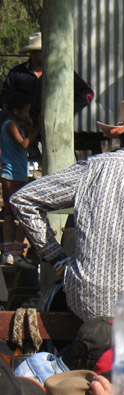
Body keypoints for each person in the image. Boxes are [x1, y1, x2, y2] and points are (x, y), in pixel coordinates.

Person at [11, 99, 124, 322]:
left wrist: (57, 259)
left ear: (121, 134)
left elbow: (23, 200)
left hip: (86, 302)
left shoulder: (94, 167)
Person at [0, 32, 93, 123]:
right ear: (32, 53)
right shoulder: (16, 73)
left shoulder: (62, 72)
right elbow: (5, 98)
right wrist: (19, 116)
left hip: (54, 127)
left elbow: (87, 92)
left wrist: (67, 111)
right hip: (23, 130)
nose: (49, 54)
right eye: (44, 51)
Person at [1, 92, 39, 270]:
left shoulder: (15, 125)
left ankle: (9, 252)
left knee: (9, 214)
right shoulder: (10, 125)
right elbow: (24, 144)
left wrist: (30, 126)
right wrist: (37, 127)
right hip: (13, 175)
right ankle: (16, 252)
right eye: (25, 112)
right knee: (24, 214)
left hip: (15, 174)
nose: (27, 115)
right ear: (15, 111)